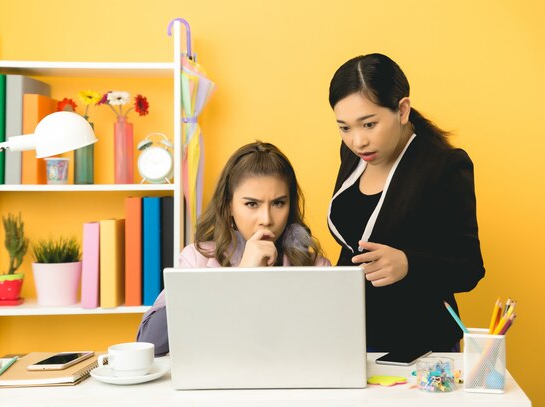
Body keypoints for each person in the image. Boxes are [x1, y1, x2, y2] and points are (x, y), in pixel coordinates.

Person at [327, 53, 485, 353]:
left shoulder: (445, 165)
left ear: (402, 110)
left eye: (369, 124)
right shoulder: (352, 154)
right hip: (353, 334)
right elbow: (355, 243)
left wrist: (408, 264)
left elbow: (469, 268)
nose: (357, 141)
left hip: (421, 342)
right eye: (344, 127)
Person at [137, 141, 331, 355]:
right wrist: (241, 276)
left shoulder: (314, 266)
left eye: (278, 203)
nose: (266, 219)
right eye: (251, 204)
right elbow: (150, 342)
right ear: (229, 206)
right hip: (218, 383)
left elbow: (326, 342)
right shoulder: (196, 258)